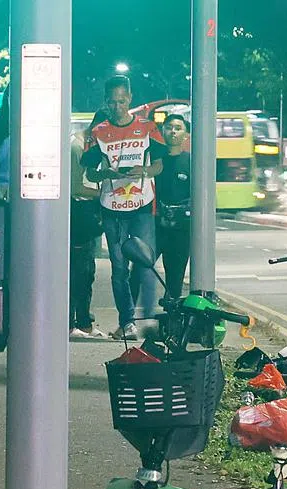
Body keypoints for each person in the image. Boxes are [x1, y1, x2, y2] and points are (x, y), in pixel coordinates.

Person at [81, 75, 165, 341]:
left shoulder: (148, 127)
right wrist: (103, 173)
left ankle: (149, 319)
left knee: (146, 263)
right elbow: (89, 173)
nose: (118, 106)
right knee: (119, 267)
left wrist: (146, 169)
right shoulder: (99, 132)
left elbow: (159, 166)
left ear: (129, 98)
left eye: (122, 101)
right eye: (113, 102)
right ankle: (127, 321)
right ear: (106, 102)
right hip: (112, 207)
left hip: (141, 204)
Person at [69, 111, 109, 339]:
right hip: (80, 213)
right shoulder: (77, 146)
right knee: (80, 270)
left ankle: (83, 322)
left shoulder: (94, 145)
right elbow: (75, 187)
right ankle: (77, 322)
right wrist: (104, 194)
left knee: (86, 270)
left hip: (89, 213)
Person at [156, 113, 192, 300]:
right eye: (169, 127)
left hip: (181, 228)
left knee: (175, 278)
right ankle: (127, 321)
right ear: (163, 130)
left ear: (185, 134)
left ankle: (172, 323)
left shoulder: (192, 162)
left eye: (178, 128)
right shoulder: (154, 159)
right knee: (138, 270)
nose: (173, 131)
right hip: (154, 225)